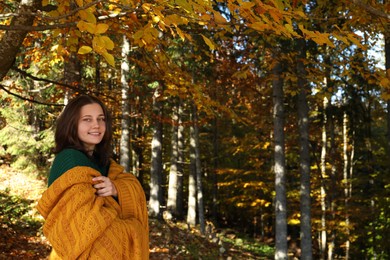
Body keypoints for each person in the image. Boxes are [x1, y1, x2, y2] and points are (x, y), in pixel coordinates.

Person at [37, 95, 149, 259]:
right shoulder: (71, 160)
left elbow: (128, 185)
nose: (96, 125)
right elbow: (86, 228)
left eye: (101, 119)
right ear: (71, 124)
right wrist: (133, 229)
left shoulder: (104, 162)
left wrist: (117, 188)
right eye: (87, 119)